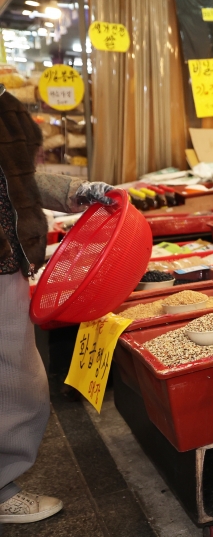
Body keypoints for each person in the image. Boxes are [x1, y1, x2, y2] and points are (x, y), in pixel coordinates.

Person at [0, 84, 113, 525]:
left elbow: (19, 182)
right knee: (16, 380)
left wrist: (76, 192)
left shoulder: (6, 107)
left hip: (6, 263)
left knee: (18, 379)